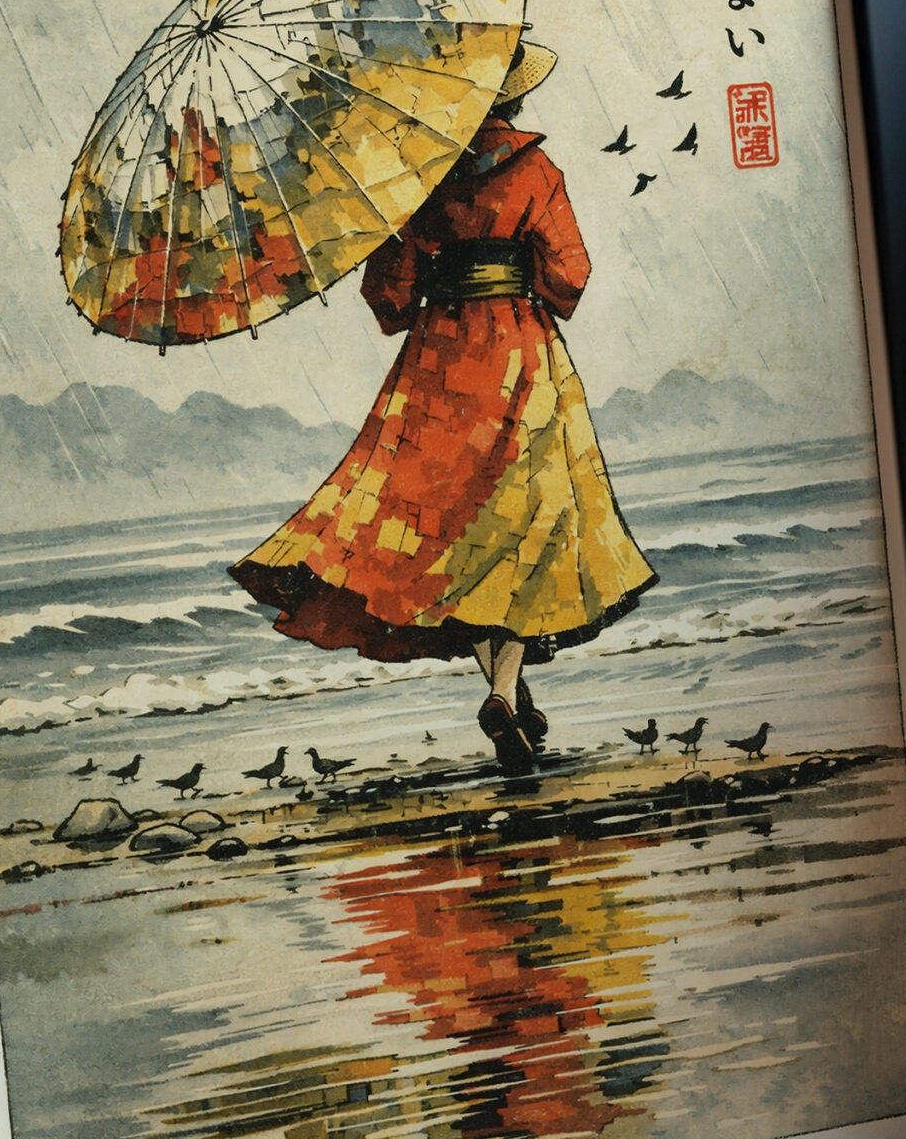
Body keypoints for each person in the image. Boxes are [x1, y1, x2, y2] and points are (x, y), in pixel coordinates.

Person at [230, 39, 655, 773]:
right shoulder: (539, 171)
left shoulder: (420, 179)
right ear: (516, 97)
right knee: (525, 526)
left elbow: (389, 291)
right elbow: (569, 271)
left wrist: (433, 275)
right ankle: (504, 694)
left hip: (440, 361)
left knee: (452, 532)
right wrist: (522, 278)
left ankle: (508, 696)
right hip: (520, 352)